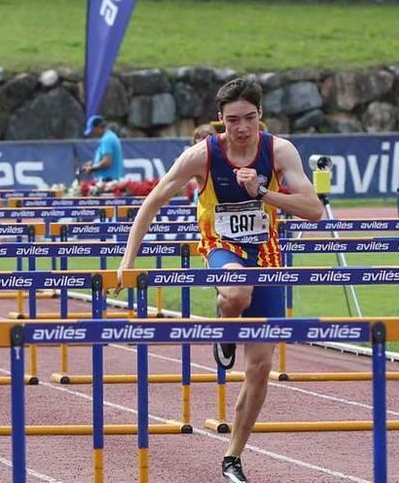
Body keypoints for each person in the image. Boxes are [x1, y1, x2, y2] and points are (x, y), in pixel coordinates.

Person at [115, 78, 322, 482]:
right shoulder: (203, 154)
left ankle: (233, 457)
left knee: (260, 367)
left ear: (260, 116)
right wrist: (127, 260)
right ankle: (225, 330)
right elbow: (152, 201)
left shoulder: (279, 151)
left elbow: (312, 209)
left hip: (268, 253)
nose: (241, 128)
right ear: (219, 120)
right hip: (220, 246)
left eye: (249, 118)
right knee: (236, 289)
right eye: (232, 121)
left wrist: (263, 192)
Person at [81, 115, 124, 181]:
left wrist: (91, 168)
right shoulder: (109, 137)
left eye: (92, 130)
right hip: (110, 180)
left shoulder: (107, 140)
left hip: (108, 181)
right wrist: (94, 163)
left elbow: (106, 162)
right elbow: (106, 160)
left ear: (98, 127)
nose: (92, 133)